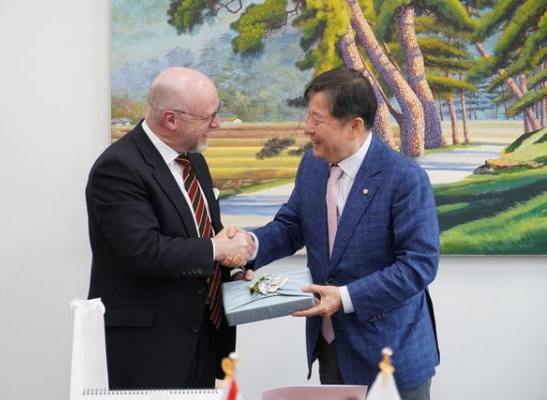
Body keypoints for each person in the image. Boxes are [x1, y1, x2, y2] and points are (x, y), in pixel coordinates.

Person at [244, 67, 440, 400]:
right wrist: (250, 245)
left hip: (391, 352)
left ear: (354, 126)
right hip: (332, 346)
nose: (307, 128)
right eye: (308, 115)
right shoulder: (312, 164)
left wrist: (345, 297)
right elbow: (292, 225)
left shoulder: (405, 178)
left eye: (317, 119)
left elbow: (418, 265)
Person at [85, 67, 254, 389]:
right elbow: (143, 252)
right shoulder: (118, 167)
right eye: (209, 117)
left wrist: (232, 266)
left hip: (201, 338)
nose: (217, 124)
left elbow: (207, 234)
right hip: (148, 349)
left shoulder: (193, 161)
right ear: (171, 120)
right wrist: (217, 248)